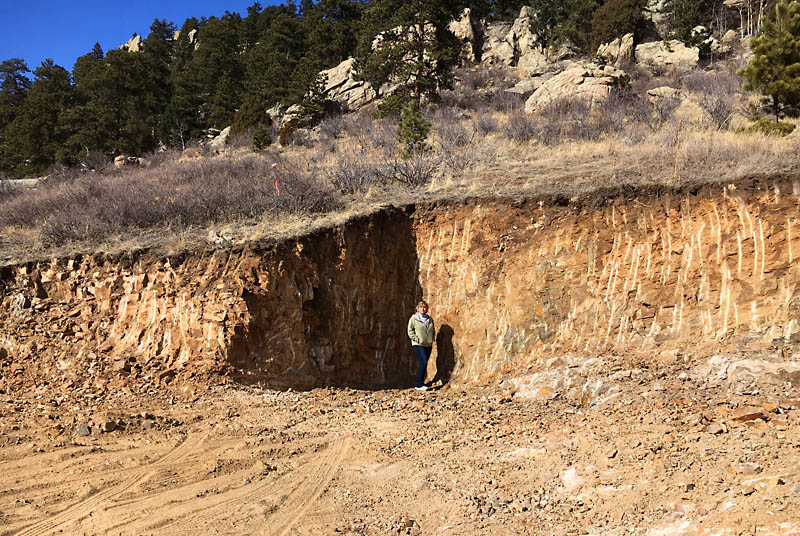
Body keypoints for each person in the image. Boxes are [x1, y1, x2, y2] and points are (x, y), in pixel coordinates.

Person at [407, 300, 435, 391]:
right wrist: (416, 339)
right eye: (421, 307)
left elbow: (433, 330)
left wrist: (432, 339)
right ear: (417, 308)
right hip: (418, 344)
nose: (422, 309)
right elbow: (410, 331)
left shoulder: (429, 319)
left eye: (424, 307)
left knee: (424, 363)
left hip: (428, 344)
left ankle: (421, 383)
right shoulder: (414, 318)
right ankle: (419, 385)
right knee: (423, 361)